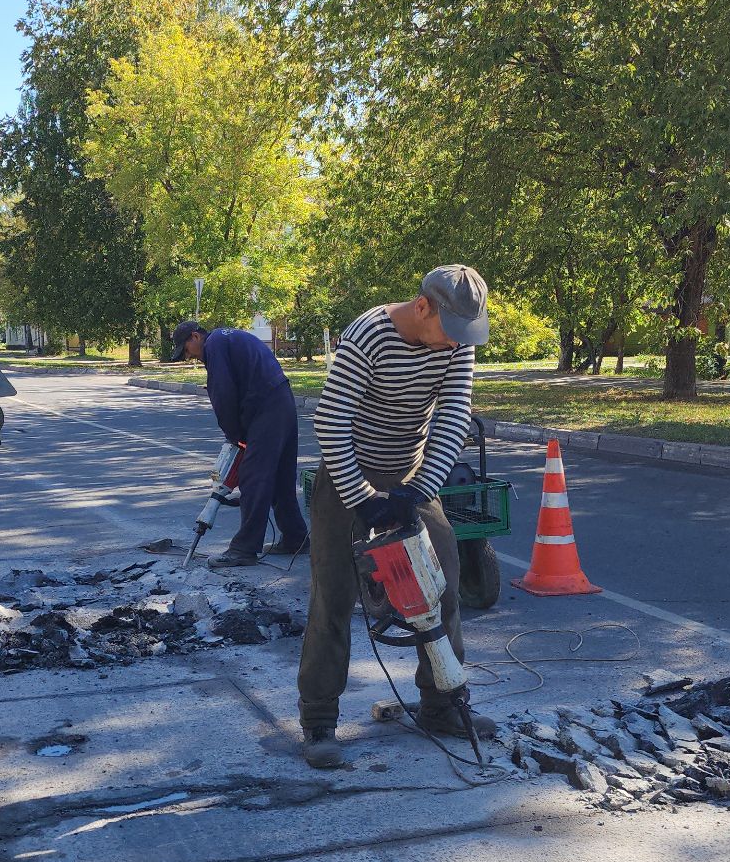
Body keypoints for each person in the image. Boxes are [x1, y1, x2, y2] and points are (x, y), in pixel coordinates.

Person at [297, 265, 494, 769]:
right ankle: (319, 720)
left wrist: (417, 491)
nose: (456, 345)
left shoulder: (457, 340)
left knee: (442, 586)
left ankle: (441, 705)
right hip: (347, 474)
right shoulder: (368, 335)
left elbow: (453, 415)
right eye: (449, 333)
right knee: (334, 596)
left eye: (464, 335)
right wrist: (362, 498)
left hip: (410, 473)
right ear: (423, 307)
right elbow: (331, 420)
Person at [168, 321, 310, 568]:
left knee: (253, 477)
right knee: (280, 476)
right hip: (280, 401)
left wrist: (234, 436)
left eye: (187, 350)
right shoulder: (226, 338)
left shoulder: (214, 346)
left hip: (267, 407)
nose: (189, 356)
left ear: (195, 336)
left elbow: (223, 394)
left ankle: (244, 548)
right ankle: (295, 538)